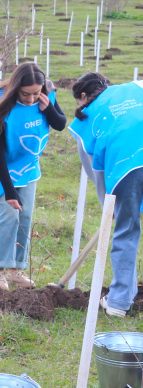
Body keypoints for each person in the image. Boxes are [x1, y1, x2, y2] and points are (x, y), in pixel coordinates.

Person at [0, 62, 67, 290]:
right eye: (26, 94)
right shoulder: (1, 104)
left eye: (36, 93)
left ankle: (15, 271)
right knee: (9, 215)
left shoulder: (46, 92)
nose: (31, 98)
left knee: (25, 217)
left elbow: (60, 124)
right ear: (15, 89)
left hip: (26, 164)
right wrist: (10, 191)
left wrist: (48, 107)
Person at [68, 73, 143, 317]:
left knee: (126, 231)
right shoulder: (134, 87)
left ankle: (119, 302)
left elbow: (96, 171)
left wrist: (107, 207)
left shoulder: (84, 121)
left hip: (126, 169)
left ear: (82, 97)